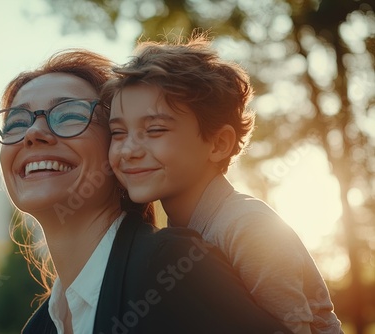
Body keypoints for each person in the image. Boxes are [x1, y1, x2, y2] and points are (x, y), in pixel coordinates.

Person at [0, 48, 292, 334]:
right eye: (16, 123)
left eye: (69, 115)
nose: (33, 133)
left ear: (116, 146)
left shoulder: (172, 271)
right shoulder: (41, 326)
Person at [105, 33, 343, 334]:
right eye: (117, 133)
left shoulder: (249, 229)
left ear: (218, 143)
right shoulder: (173, 238)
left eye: (154, 130)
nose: (129, 150)